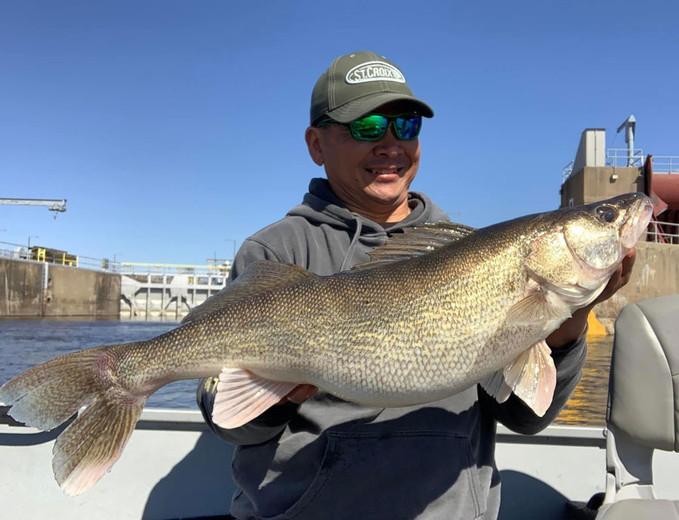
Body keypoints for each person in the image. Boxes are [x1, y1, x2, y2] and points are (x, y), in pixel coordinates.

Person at [196, 51, 636, 520]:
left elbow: (528, 419)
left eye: (405, 126)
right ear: (316, 144)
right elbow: (231, 425)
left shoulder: (472, 254)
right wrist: (279, 390)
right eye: (365, 127)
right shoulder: (274, 252)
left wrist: (570, 320)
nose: (390, 144)